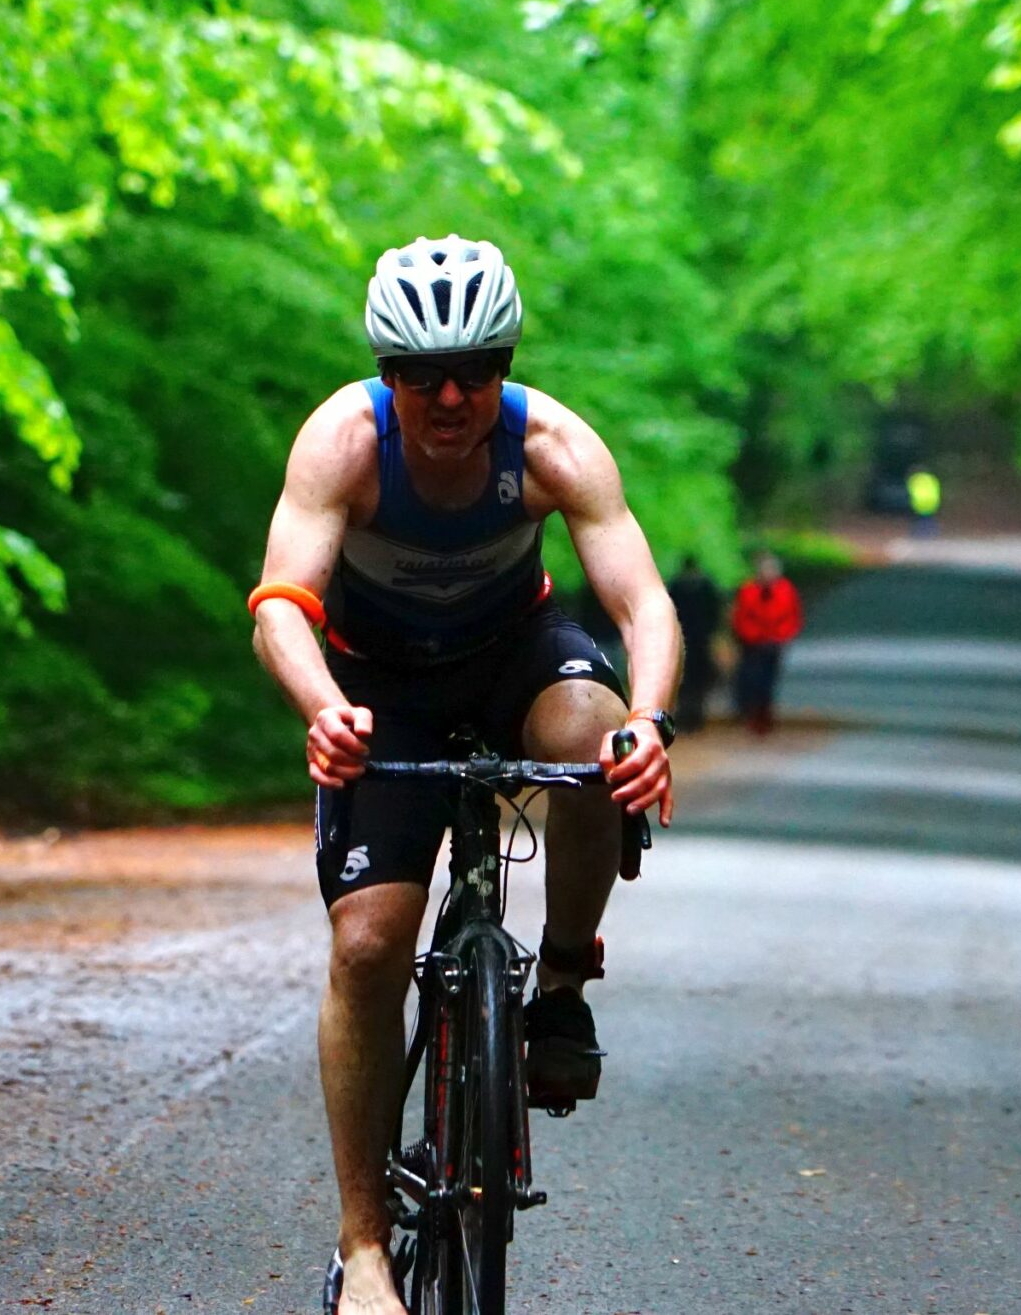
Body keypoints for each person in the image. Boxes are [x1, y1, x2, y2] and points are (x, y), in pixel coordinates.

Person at [248, 235, 679, 1315]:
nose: (449, 397)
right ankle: (364, 1251)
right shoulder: (344, 444)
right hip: (375, 682)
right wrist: (323, 708)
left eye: (475, 372)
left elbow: (642, 603)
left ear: (504, 365)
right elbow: (281, 604)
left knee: (593, 732)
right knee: (368, 947)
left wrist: (649, 723)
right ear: (387, 374)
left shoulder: (553, 446)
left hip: (511, 656)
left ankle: (562, 989)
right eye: (422, 375)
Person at [728, 550, 803, 734]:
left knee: (768, 680)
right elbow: (741, 616)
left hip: (774, 643)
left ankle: (763, 714)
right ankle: (750, 712)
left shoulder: (785, 590)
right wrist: (752, 635)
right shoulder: (748, 590)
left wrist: (781, 635)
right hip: (752, 643)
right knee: (752, 678)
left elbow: (792, 615)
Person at [666, 555, 722, 735]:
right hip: (698, 641)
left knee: (687, 683)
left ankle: (688, 717)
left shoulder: (677, 586)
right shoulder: (706, 587)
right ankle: (693, 717)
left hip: (686, 641)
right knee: (694, 683)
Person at [905, 465, 942, 534]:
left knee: (918, 518)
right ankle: (933, 531)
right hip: (932, 501)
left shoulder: (914, 479)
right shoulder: (931, 478)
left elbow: (910, 491)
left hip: (919, 502)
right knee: (929, 517)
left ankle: (919, 532)